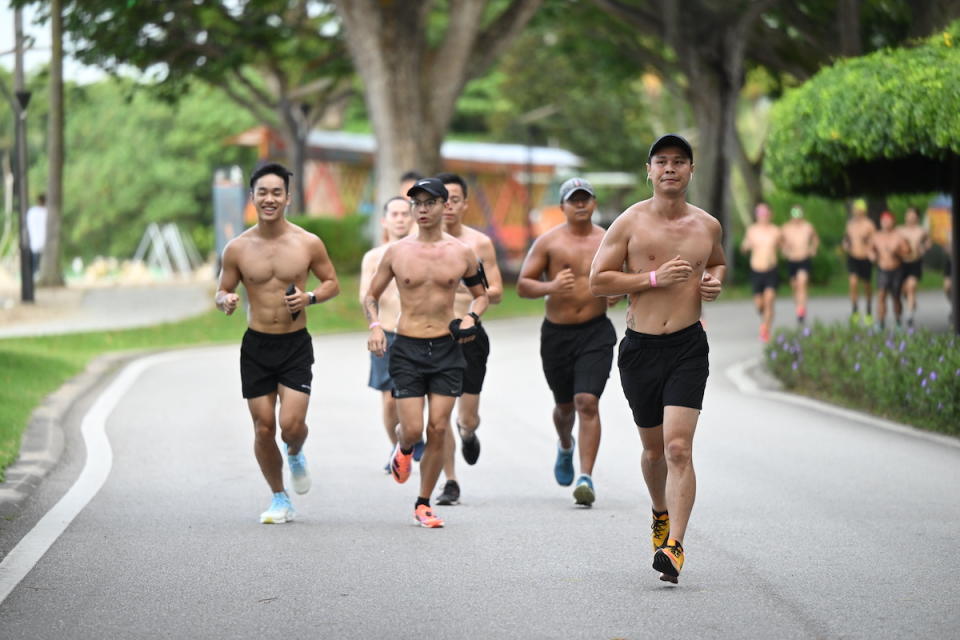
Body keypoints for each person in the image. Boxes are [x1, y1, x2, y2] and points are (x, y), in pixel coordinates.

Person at [589, 134, 725, 584]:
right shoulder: (628, 223)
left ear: (690, 171)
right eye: (661, 161)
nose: (670, 168)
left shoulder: (708, 226)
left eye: (679, 162)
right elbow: (598, 282)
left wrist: (713, 282)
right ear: (648, 170)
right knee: (653, 451)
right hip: (640, 349)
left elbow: (718, 263)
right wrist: (652, 276)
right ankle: (660, 513)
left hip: (688, 347)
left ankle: (675, 546)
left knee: (678, 447)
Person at [216, 163, 340, 524]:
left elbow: (332, 282)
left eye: (276, 192)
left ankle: (296, 451)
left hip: (294, 345)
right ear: (252, 197)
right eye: (262, 192)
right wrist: (224, 300)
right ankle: (279, 498)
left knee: (290, 426)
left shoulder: (307, 243)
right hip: (256, 346)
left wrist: (310, 298)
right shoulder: (237, 248)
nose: (269, 199)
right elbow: (222, 288)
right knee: (263, 427)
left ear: (288, 197)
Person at [364, 177, 489, 528]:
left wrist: (471, 317)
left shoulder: (461, 252)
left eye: (428, 203)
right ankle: (403, 450)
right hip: (407, 348)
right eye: (416, 203)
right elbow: (370, 296)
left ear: (442, 205)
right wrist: (375, 327)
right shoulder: (397, 252)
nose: (421, 209)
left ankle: (423, 503)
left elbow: (482, 294)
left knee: (438, 426)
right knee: (413, 429)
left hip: (448, 349)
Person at [517, 177, 617, 506]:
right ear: (562, 207)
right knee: (563, 407)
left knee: (586, 401)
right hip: (557, 334)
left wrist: (617, 291)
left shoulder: (608, 240)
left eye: (585, 198)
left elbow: (625, 276)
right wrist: (551, 286)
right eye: (573, 199)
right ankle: (564, 444)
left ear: (594, 203)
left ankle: (585, 477)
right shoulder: (548, 243)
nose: (579, 204)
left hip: (595, 330)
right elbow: (523, 285)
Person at [433, 172, 503, 506]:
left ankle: (469, 431)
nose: (447, 206)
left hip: (471, 335)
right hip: (433, 336)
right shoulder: (422, 244)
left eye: (454, 200)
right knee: (440, 413)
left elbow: (498, 291)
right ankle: (450, 481)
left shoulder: (479, 244)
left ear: (464, 204)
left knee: (466, 414)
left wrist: (466, 286)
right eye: (442, 199)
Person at [358, 196, 423, 471]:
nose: (399, 219)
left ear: (413, 218)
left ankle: (414, 435)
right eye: (394, 214)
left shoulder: (423, 253)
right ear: (385, 220)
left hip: (416, 334)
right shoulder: (374, 257)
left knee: (417, 397)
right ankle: (397, 448)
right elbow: (365, 296)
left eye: (404, 214)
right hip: (387, 333)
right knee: (389, 401)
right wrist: (374, 327)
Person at [740, 202, 781, 342]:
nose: (762, 216)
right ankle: (766, 317)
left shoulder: (776, 231)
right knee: (760, 304)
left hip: (771, 270)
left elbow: (784, 246)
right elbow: (744, 246)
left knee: (769, 299)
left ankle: (765, 329)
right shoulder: (752, 230)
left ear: (770, 215)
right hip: (756, 271)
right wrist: (745, 247)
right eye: (759, 213)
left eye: (764, 213)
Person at [780, 204, 820, 324]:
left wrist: (813, 249)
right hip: (792, 260)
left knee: (802, 283)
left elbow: (815, 239)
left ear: (802, 215)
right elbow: (779, 241)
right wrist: (784, 249)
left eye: (798, 215)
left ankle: (801, 310)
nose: (796, 218)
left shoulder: (807, 227)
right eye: (794, 215)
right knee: (795, 286)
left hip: (804, 259)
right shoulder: (786, 228)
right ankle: (798, 307)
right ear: (791, 216)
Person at [870, 211, 910, 330]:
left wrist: (897, 252)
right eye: (884, 221)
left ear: (893, 222)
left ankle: (897, 320)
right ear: (881, 222)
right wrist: (872, 256)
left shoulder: (898, 236)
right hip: (882, 269)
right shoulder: (876, 236)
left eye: (888, 221)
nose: (886, 223)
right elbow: (870, 249)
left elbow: (907, 252)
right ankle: (880, 321)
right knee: (881, 295)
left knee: (896, 296)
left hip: (896, 269)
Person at [896, 206, 931, 328]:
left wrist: (924, 248)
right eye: (908, 214)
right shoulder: (899, 230)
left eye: (912, 214)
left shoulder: (921, 231)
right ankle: (912, 301)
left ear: (917, 216)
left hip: (915, 262)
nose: (910, 216)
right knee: (903, 290)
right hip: (901, 263)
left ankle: (909, 317)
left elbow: (928, 243)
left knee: (911, 287)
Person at [843, 199, 877, 322]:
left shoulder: (869, 224)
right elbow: (846, 238)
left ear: (863, 210)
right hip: (853, 257)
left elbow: (875, 241)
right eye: (854, 209)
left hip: (865, 258)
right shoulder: (850, 224)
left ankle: (868, 310)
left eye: (858, 209)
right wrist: (846, 244)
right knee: (853, 283)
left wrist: (872, 252)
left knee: (867, 285)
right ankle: (855, 310)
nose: (856, 212)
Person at [25, 193, 47, 279]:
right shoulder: (41, 212)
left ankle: (35, 274)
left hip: (35, 240)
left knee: (36, 260)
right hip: (38, 240)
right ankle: (35, 275)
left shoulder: (32, 212)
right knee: (36, 260)